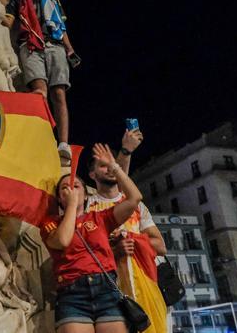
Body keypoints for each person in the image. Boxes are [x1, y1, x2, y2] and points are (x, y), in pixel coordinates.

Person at [40, 144, 144, 332]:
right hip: (72, 294)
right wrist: (72, 206)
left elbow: (134, 198)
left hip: (106, 291)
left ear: (86, 194)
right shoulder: (51, 224)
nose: (71, 190)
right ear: (59, 198)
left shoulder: (100, 217)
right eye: (65, 188)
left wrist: (115, 167)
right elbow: (62, 241)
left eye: (76, 186)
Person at [86, 129, 168, 333]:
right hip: (108, 296)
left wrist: (132, 239)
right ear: (92, 174)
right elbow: (84, 252)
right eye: (102, 166)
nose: (109, 170)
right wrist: (114, 250)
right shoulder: (87, 208)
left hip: (146, 289)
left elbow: (160, 246)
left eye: (112, 165)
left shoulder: (136, 207)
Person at [4, 0, 75, 165]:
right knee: (39, 93)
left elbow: (60, 26)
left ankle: (63, 144)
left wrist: (69, 48)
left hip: (55, 46)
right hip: (31, 46)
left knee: (59, 93)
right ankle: (42, 140)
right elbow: (7, 23)